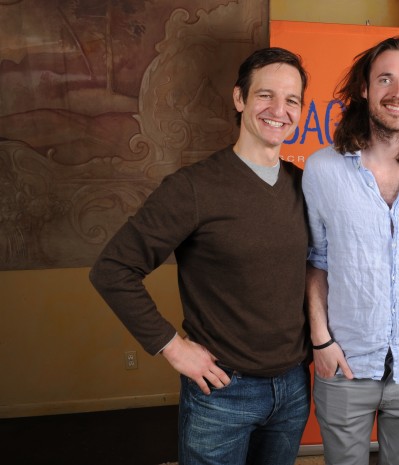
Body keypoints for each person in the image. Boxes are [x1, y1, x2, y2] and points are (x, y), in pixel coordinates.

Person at [89, 47, 311, 465]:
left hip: (293, 388)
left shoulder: (305, 186)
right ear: (240, 99)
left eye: (292, 100)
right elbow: (112, 269)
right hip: (222, 392)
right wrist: (173, 347)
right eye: (265, 95)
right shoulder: (192, 188)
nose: (279, 110)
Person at [303, 36, 399, 465]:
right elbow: (316, 260)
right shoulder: (322, 168)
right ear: (365, 89)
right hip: (344, 360)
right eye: (385, 78)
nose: (398, 92)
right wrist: (320, 340)